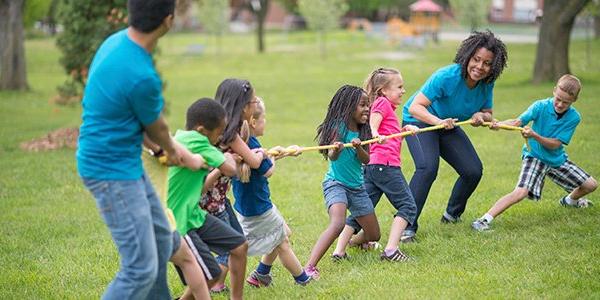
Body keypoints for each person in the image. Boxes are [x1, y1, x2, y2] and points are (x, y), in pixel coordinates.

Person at [77, 1, 204, 298]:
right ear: (168, 20)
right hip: (110, 171)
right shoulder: (142, 75)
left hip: (121, 164)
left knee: (163, 241)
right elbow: (157, 128)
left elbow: (132, 117)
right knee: (140, 267)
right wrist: (180, 154)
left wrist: (170, 150)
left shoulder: (115, 43)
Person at [401, 30, 508, 242]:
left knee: (472, 170)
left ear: (493, 66)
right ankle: (407, 227)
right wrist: (438, 122)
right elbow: (415, 107)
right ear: (467, 56)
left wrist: (481, 116)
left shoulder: (487, 83)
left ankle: (451, 215)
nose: (480, 67)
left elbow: (487, 114)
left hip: (447, 125)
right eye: (476, 60)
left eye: (487, 63)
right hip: (419, 122)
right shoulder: (446, 76)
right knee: (427, 169)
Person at [471, 75, 597, 231]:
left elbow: (555, 144)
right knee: (521, 192)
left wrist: (535, 135)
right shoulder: (540, 106)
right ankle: (483, 220)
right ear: (554, 91)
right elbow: (517, 122)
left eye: (565, 102)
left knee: (591, 185)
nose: (559, 104)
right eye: (558, 98)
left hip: (556, 159)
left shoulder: (574, 117)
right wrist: (498, 125)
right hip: (535, 157)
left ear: (574, 100)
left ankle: (569, 201)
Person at [333, 68, 418, 262]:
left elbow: (389, 133)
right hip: (386, 167)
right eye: (399, 87)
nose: (403, 91)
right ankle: (391, 249)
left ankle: (339, 251)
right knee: (408, 205)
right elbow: (374, 123)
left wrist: (405, 130)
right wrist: (374, 132)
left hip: (374, 167)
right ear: (383, 90)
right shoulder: (382, 103)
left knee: (362, 210)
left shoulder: (387, 107)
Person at [167, 98, 248, 300]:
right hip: (178, 222)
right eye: (219, 132)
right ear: (203, 131)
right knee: (209, 276)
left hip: (194, 214)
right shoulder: (198, 142)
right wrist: (230, 158)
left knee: (239, 246)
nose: (221, 136)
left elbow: (202, 186)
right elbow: (230, 170)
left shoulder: (182, 137)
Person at [231, 98, 312, 287]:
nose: (265, 121)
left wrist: (281, 153)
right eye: (263, 118)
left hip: (250, 205)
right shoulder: (251, 143)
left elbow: (261, 164)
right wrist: (276, 156)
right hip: (258, 207)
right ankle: (303, 280)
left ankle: (261, 274)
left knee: (282, 234)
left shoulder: (241, 142)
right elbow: (267, 170)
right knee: (282, 242)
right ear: (253, 122)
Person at [305, 85, 381, 279]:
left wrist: (359, 148)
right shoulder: (337, 127)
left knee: (374, 235)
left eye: (368, 105)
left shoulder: (364, 131)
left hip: (357, 188)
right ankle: (309, 267)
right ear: (349, 107)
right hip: (336, 183)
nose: (367, 109)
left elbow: (367, 160)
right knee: (337, 223)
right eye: (362, 105)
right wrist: (337, 148)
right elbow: (332, 156)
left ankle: (354, 242)